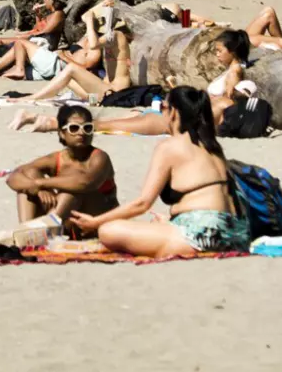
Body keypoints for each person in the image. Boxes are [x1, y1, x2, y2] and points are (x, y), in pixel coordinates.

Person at [70, 87, 248, 256]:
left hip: (203, 234)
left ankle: (170, 243)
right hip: (235, 234)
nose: (160, 111)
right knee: (154, 226)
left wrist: (95, 222)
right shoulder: (212, 146)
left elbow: (142, 204)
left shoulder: (170, 146)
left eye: (163, 107)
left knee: (108, 230)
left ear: (174, 113)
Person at [5, 103, 119, 230]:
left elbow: (85, 182)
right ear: (61, 133)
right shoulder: (56, 159)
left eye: (87, 128)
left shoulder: (99, 157)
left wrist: (41, 184)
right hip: (67, 223)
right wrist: (36, 187)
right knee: (29, 177)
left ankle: (41, 230)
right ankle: (25, 231)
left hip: (99, 224)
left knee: (70, 193)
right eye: (74, 128)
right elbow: (13, 177)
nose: (81, 133)